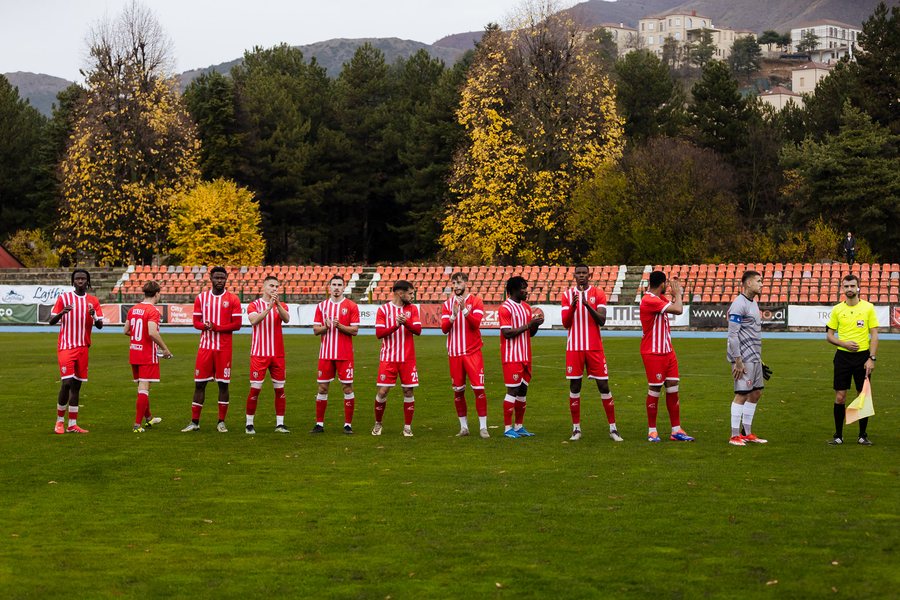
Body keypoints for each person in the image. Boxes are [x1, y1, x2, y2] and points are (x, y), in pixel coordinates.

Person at [560, 265, 622, 442]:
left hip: (594, 347)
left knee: (603, 386)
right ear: (574, 275)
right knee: (575, 387)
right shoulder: (566, 295)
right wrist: (573, 307)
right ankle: (576, 429)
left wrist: (587, 305)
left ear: (589, 275)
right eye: (578, 273)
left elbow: (602, 320)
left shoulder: (598, 293)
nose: (581, 276)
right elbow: (566, 323)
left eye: (584, 273)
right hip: (574, 348)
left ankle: (613, 428)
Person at [182, 266, 242, 432]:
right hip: (205, 348)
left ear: (226, 278)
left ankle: (221, 422)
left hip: (224, 349)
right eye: (216, 278)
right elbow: (196, 323)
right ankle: (194, 422)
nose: (219, 281)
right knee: (199, 384)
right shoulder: (201, 298)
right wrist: (205, 326)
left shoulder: (233, 299)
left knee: (223, 385)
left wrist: (216, 327)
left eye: (222, 278)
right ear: (211, 278)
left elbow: (237, 325)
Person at [639, 271, 695, 443]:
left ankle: (676, 430)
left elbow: (673, 305)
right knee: (655, 389)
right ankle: (652, 431)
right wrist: (678, 294)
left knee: (673, 387)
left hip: (668, 351)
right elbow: (678, 309)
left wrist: (675, 295)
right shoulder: (648, 300)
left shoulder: (660, 299)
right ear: (662, 284)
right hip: (653, 352)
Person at [826, 274, 879, 446]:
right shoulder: (837, 310)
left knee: (862, 396)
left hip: (863, 358)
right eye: (846, 286)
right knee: (840, 396)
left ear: (858, 287)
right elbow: (829, 336)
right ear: (843, 288)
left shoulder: (868, 308)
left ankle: (862, 435)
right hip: (842, 357)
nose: (849, 289)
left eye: (852, 286)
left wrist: (871, 358)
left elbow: (875, 334)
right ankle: (838, 436)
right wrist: (844, 344)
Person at [49, 269, 104, 434]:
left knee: (76, 386)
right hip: (66, 347)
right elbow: (51, 321)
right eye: (77, 278)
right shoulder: (64, 298)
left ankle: (72, 424)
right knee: (66, 383)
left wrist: (94, 316)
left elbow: (100, 325)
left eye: (83, 279)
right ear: (73, 281)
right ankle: (59, 422)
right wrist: (62, 313)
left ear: (88, 281)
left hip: (83, 348)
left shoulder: (93, 301)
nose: (80, 281)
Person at [440, 272, 489, 438]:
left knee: (479, 390)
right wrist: (453, 315)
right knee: (458, 392)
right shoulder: (447, 304)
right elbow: (444, 328)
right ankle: (464, 427)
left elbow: (475, 325)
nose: (456, 286)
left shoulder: (476, 302)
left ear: (466, 283)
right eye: (454, 283)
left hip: (472, 352)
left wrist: (464, 310)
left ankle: (483, 427)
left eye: (459, 282)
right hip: (454, 353)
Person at [311, 275, 360, 434]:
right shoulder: (321, 306)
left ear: (344, 287)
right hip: (325, 355)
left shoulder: (351, 306)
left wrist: (339, 326)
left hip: (345, 355)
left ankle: (348, 425)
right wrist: (326, 327)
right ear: (329, 287)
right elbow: (316, 330)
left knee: (347, 388)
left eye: (340, 285)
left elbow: (355, 330)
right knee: (323, 388)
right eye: (334, 285)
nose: (337, 287)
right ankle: (319, 424)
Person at [373, 281, 421, 437]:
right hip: (388, 358)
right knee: (383, 391)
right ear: (401, 293)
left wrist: (405, 322)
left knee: (408, 391)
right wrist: (396, 324)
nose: (412, 296)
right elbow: (379, 333)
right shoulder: (383, 310)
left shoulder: (412, 309)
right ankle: (378, 423)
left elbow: (418, 330)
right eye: (410, 293)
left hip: (408, 359)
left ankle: (407, 427)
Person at [124, 281, 173, 433]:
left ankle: (149, 418)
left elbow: (126, 330)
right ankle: (137, 425)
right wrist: (165, 349)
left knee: (141, 387)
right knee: (144, 388)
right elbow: (152, 332)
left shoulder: (133, 309)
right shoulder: (153, 311)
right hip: (146, 354)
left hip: (134, 352)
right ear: (157, 293)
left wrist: (138, 338)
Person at [245, 275, 291, 434]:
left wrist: (277, 306)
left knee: (280, 389)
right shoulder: (254, 305)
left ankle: (280, 423)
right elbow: (254, 321)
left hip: (278, 354)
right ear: (264, 287)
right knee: (255, 389)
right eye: (271, 286)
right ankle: (249, 423)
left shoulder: (282, 305)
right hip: (259, 354)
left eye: (276, 286)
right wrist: (268, 308)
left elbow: (286, 319)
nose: (274, 289)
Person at [726, 271, 767, 446]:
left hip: (754, 357)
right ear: (748, 283)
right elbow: (732, 335)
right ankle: (734, 436)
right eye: (758, 281)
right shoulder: (738, 304)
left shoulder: (753, 303)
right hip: (743, 357)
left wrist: (760, 359)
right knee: (741, 394)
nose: (761, 284)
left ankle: (747, 433)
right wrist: (738, 360)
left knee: (756, 393)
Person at [499, 276, 543, 439]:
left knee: (523, 391)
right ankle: (507, 428)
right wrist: (528, 325)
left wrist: (535, 326)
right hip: (512, 356)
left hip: (526, 355)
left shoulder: (526, 308)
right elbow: (507, 332)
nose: (526, 291)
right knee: (512, 390)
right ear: (514, 290)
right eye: (523, 288)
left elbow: (529, 333)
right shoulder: (505, 308)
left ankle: (518, 426)